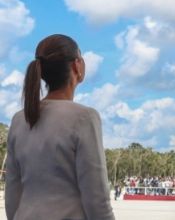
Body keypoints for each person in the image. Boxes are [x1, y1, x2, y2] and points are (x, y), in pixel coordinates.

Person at [3, 34, 115, 220]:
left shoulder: (19, 119)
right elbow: (97, 199)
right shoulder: (84, 118)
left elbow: (12, 195)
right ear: (77, 65)